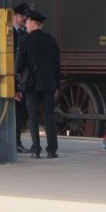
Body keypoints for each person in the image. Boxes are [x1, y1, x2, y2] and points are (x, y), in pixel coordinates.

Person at [15, 9, 61, 159]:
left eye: (27, 21)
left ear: (33, 23)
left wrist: (16, 87)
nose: (26, 24)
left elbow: (19, 66)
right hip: (48, 84)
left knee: (33, 116)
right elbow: (56, 65)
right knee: (49, 116)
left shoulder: (24, 40)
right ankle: (52, 150)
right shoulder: (51, 40)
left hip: (31, 84)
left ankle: (36, 149)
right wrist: (57, 86)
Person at [12, 3, 29, 153]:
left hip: (21, 80)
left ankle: (17, 141)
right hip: (13, 80)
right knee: (15, 113)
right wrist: (14, 87)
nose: (24, 18)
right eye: (22, 16)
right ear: (14, 16)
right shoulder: (9, 34)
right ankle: (15, 142)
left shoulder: (23, 33)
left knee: (20, 113)